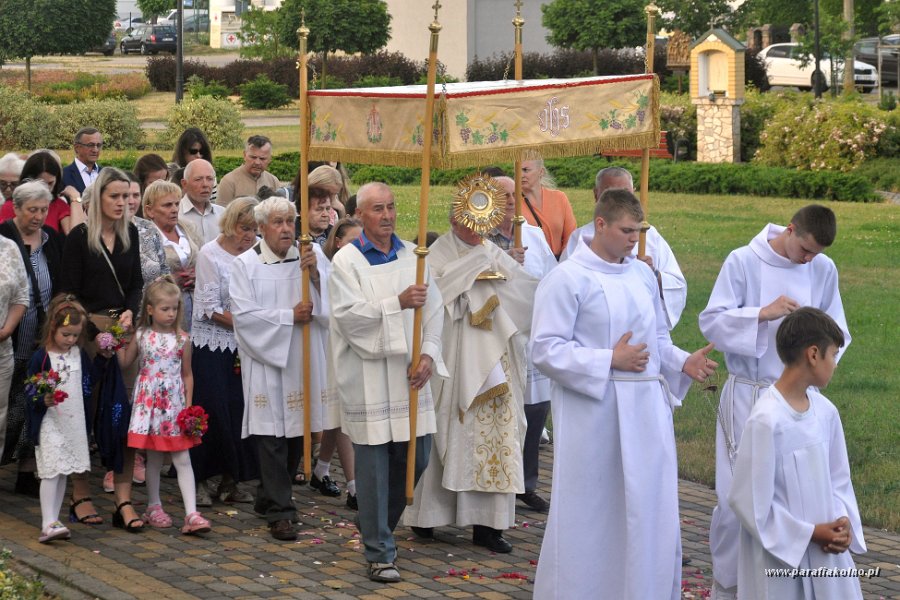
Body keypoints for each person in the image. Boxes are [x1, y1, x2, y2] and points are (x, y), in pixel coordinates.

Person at [530, 189, 717, 599]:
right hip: (594, 413)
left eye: (639, 230)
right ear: (600, 225)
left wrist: (682, 361)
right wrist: (607, 359)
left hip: (647, 411)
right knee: (596, 508)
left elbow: (658, 338)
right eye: (627, 230)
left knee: (649, 506)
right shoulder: (566, 279)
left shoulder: (640, 274)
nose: (635, 239)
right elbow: (544, 348)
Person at [699, 204, 851, 600]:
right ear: (790, 230)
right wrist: (761, 315)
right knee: (740, 500)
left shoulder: (822, 268)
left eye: (816, 254)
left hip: (801, 399)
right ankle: (733, 586)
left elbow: (838, 332)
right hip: (750, 393)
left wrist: (812, 370)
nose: (809, 260)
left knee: (801, 495)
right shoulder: (743, 261)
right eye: (805, 250)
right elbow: (712, 321)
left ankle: (798, 584)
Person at [329, 182, 447, 583]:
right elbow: (348, 317)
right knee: (375, 467)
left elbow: (435, 310)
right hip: (369, 377)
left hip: (410, 375)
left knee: (419, 456)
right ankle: (380, 550)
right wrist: (395, 303)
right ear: (360, 216)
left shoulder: (414, 256)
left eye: (392, 207)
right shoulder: (346, 262)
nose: (387, 215)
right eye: (378, 209)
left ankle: (374, 523)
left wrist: (428, 352)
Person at [403, 204, 538, 553]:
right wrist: (472, 268)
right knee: (442, 432)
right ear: (453, 219)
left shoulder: (492, 251)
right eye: (469, 221)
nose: (477, 229)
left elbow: (523, 293)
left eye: (483, 222)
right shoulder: (437, 252)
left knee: (497, 436)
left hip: (495, 360)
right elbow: (431, 294)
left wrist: (502, 270)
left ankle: (488, 526)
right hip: (452, 356)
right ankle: (427, 516)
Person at [728, 308, 865, 599]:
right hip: (781, 560)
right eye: (834, 355)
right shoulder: (767, 420)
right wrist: (810, 533)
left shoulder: (826, 413)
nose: (836, 365)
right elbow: (750, 501)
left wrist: (842, 523)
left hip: (827, 552)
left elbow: (839, 479)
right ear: (813, 354)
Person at [230, 196, 328, 541]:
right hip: (269, 361)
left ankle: (269, 496)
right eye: (278, 222)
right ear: (260, 228)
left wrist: (316, 275)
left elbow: (334, 304)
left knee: (297, 436)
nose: (287, 229)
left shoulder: (309, 259)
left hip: (302, 359)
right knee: (271, 437)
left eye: (290, 221)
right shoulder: (245, 265)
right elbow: (244, 318)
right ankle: (281, 512)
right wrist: (289, 317)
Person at [60, 167, 144, 530]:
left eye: (126, 197)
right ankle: (80, 495)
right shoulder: (79, 238)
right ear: (97, 199)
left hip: (123, 332)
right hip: (86, 333)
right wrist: (95, 335)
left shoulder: (131, 235)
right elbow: (67, 291)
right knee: (84, 415)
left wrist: (129, 312)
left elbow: (137, 284)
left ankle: (123, 501)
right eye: (115, 196)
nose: (122, 203)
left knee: (124, 416)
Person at [117, 276, 211, 535]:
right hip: (149, 405)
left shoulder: (182, 339)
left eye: (174, 309)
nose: (171, 314)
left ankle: (191, 512)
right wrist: (114, 340)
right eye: (165, 309)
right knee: (154, 458)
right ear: (150, 309)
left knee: (181, 456)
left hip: (173, 407)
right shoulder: (142, 335)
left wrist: (188, 406)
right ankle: (154, 505)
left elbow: (187, 374)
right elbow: (125, 362)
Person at [486, 175, 556, 513]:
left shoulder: (534, 235)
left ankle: (526, 483)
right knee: (502, 415)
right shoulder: (478, 238)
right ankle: (498, 483)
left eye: (516, 194)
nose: (512, 200)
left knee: (535, 410)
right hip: (495, 337)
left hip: (532, 334)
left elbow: (552, 276)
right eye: (504, 195)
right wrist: (504, 261)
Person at [190, 197, 260, 507]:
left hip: (245, 345)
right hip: (212, 345)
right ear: (231, 224)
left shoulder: (258, 252)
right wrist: (250, 323)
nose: (250, 236)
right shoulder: (210, 254)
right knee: (212, 410)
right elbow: (208, 309)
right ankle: (201, 478)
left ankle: (232, 480)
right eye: (245, 229)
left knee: (239, 410)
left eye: (255, 229)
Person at [0, 181, 65, 497]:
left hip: (41, 337)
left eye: (43, 210)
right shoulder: (5, 237)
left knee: (34, 402)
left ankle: (26, 470)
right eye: (32, 210)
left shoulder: (51, 241)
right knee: (8, 407)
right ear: (16, 208)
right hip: (10, 338)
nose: (39, 216)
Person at [561, 166, 687, 329]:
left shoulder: (648, 235)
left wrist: (654, 274)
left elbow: (676, 284)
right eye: (610, 193)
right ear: (596, 194)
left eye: (625, 193)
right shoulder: (579, 239)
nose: (619, 201)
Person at [25, 295, 93, 543]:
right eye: (66, 334)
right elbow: (30, 388)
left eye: (75, 335)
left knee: (64, 470)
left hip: (72, 422)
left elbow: (87, 382)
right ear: (53, 328)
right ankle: (47, 522)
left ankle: (55, 518)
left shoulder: (78, 354)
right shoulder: (41, 357)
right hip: (50, 422)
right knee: (51, 471)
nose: (71, 340)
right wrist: (41, 400)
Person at [307, 216, 362, 509]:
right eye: (352, 242)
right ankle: (355, 486)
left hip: (355, 342)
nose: (358, 248)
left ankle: (322, 469)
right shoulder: (327, 265)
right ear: (337, 242)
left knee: (336, 413)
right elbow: (325, 309)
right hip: (328, 343)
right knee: (340, 412)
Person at [144, 180, 202, 331]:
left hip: (198, 310)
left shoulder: (189, 227)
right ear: (150, 210)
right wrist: (171, 280)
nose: (175, 209)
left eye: (177, 204)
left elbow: (205, 259)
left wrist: (199, 276)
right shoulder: (143, 236)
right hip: (164, 316)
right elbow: (142, 277)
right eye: (167, 205)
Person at [0, 224, 29, 468]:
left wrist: (7, 329)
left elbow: (21, 295)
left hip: (2, 349)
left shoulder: (9, 247)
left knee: (0, 417)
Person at [0, 151, 85, 234]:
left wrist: (75, 198)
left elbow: (76, 235)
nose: (46, 189)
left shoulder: (59, 205)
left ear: (57, 181)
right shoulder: (11, 206)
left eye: (50, 183)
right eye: (41, 183)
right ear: (28, 180)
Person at [519, 158, 576, 259]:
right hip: (531, 265)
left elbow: (571, 237)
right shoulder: (513, 203)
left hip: (561, 263)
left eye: (526, 170)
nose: (521, 175)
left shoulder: (559, 198)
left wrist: (563, 264)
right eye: (517, 170)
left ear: (541, 172)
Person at [217, 135, 279, 207]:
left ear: (269, 159)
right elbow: (221, 214)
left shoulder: (273, 181)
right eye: (253, 157)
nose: (257, 162)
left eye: (262, 159)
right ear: (244, 155)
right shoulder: (229, 182)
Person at [179, 159, 223, 246]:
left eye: (210, 179)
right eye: (198, 179)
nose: (205, 184)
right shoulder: (175, 215)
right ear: (184, 184)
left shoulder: (223, 214)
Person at [61, 127, 103, 194]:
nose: (95, 150)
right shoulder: (63, 176)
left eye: (98, 145)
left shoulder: (105, 174)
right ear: (77, 148)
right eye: (90, 145)